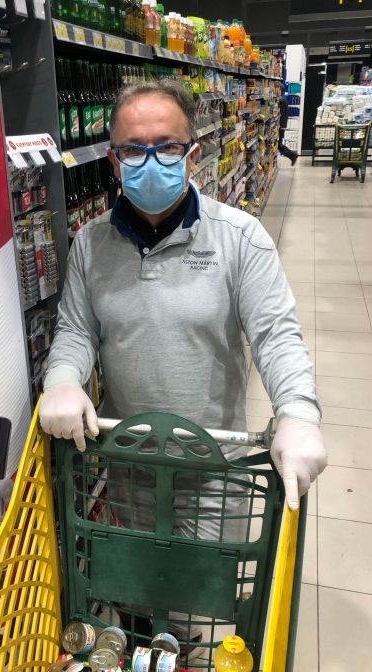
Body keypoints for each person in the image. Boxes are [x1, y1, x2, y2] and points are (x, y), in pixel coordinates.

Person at [40, 79, 326, 510]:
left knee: (209, 579)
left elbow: (275, 336)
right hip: (126, 462)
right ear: (113, 163)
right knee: (130, 579)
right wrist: (62, 378)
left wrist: (298, 413)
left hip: (215, 470)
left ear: (192, 156)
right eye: (133, 149)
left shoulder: (241, 239)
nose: (150, 161)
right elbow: (77, 329)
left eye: (167, 147)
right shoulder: (90, 243)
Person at [278, 84, 298, 165]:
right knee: (278, 144)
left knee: (278, 145)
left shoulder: (282, 100)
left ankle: (292, 155)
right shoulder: (283, 98)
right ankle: (292, 155)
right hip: (282, 124)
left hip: (281, 125)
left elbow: (280, 114)